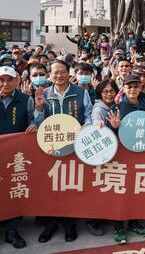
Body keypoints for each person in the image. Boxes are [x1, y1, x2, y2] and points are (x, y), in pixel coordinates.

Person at [0, 66, 45, 254]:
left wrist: (36, 118)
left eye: (9, 80)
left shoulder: (26, 99)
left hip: (16, 156)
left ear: (17, 81)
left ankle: (11, 230)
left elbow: (35, 121)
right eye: (1, 80)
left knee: (14, 190)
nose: (5, 84)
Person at [39, 60, 93, 243]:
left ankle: (69, 224)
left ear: (68, 73)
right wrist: (38, 108)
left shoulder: (81, 92)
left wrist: (84, 129)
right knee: (50, 187)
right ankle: (51, 224)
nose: (59, 75)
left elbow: (89, 116)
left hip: (74, 147)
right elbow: (37, 122)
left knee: (70, 186)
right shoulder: (44, 94)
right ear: (50, 75)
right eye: (55, 72)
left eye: (62, 72)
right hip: (50, 149)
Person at [110, 74, 145, 242]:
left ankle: (134, 223)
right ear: (124, 88)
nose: (133, 90)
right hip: (122, 155)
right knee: (121, 192)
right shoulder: (118, 106)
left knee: (137, 190)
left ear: (140, 87)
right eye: (129, 87)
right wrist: (113, 126)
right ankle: (118, 227)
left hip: (141, 154)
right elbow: (109, 130)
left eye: (136, 86)